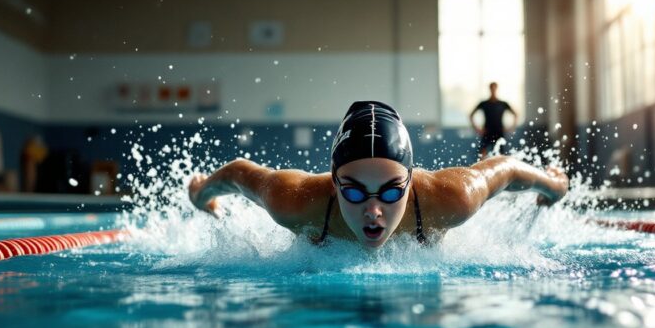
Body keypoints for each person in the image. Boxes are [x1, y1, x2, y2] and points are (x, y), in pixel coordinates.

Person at [189, 101, 567, 249]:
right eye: (354, 192)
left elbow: (506, 168)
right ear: (334, 182)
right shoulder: (294, 200)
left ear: (411, 179)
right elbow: (240, 174)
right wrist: (202, 193)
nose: (373, 211)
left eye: (390, 192)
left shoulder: (450, 197)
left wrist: (552, 185)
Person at [470, 82, 518, 159]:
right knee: (482, 153)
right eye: (492, 88)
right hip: (487, 131)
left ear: (496, 89)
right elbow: (471, 115)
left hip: (499, 131)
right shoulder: (484, 103)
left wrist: (511, 127)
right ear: (490, 89)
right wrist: (477, 128)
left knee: (501, 155)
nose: (493, 90)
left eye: (494, 88)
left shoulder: (503, 104)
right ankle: (482, 168)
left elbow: (515, 114)